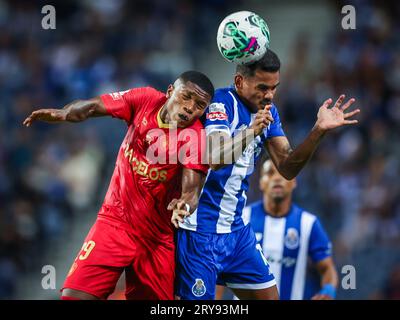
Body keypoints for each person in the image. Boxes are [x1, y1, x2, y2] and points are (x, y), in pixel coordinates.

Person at [175, 49, 359, 300]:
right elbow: (215, 158)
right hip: (200, 231)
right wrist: (251, 131)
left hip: (236, 231)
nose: (269, 95)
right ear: (240, 82)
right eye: (262, 87)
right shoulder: (220, 103)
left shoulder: (269, 112)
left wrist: (318, 131)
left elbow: (287, 166)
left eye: (274, 88)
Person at [23, 71, 214, 300]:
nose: (190, 107)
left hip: (156, 239)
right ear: (170, 91)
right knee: (74, 297)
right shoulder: (145, 99)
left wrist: (184, 205)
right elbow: (93, 106)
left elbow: (192, 191)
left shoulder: (196, 138)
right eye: (186, 97)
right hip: (115, 222)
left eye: (199, 104)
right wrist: (65, 113)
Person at [216, 159, 338, 300]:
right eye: (270, 173)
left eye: (284, 173)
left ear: (294, 182)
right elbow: (221, 267)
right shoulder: (241, 220)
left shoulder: (308, 224)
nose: (277, 178)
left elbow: (327, 268)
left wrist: (328, 290)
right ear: (261, 182)